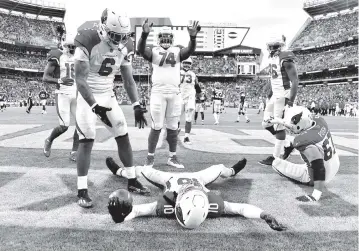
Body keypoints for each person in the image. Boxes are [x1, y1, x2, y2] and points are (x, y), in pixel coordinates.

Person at [73, 9, 150, 208]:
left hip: (108, 95)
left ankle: (132, 180)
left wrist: (136, 105)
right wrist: (94, 106)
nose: (118, 41)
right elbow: (80, 80)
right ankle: (82, 189)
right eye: (115, 36)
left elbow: (128, 79)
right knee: (87, 139)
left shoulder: (126, 44)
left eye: (122, 37)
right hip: (87, 96)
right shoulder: (88, 39)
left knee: (123, 134)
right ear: (104, 28)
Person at [106, 157, 286, 231]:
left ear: (177, 206)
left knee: (141, 170)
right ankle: (232, 171)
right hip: (198, 178)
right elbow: (240, 208)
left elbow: (136, 210)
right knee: (219, 169)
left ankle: (119, 172)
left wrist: (120, 217)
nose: (187, 191)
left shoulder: (166, 206)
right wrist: (263, 214)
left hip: (168, 179)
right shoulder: (213, 204)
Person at [137, 19, 201, 168]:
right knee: (156, 126)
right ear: (159, 38)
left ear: (172, 39)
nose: (165, 40)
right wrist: (145, 35)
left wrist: (192, 37)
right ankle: (150, 157)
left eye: (168, 37)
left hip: (174, 92)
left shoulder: (177, 51)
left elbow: (190, 51)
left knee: (173, 127)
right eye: (163, 37)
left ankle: (172, 157)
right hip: (158, 92)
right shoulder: (153, 51)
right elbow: (141, 50)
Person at [267, 106, 340, 202]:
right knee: (306, 157)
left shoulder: (304, 140)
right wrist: (278, 120)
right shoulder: (319, 121)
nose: (290, 129)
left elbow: (319, 167)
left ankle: (314, 186)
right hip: (334, 163)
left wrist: (315, 195)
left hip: (319, 174)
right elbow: (298, 122)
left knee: (276, 164)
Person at [259, 34, 299, 166]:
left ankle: (275, 157)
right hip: (275, 95)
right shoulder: (273, 58)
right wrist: (269, 93)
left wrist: (290, 101)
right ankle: (287, 144)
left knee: (279, 125)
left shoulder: (285, 58)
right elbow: (275, 78)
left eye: (274, 46)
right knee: (266, 123)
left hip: (284, 95)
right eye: (270, 46)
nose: (271, 49)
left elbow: (295, 81)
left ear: (280, 46)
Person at [42, 32, 79, 161]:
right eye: (70, 46)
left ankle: (74, 151)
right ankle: (49, 139)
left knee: (80, 124)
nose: (73, 49)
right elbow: (45, 77)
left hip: (76, 93)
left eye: (74, 47)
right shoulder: (57, 55)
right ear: (64, 45)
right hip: (63, 93)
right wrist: (59, 81)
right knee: (64, 126)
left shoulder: (79, 55)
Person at [179, 57, 201, 144]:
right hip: (179, 96)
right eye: (185, 63)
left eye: (188, 63)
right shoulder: (177, 72)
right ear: (182, 63)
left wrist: (199, 96)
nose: (186, 65)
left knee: (188, 118)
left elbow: (197, 86)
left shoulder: (193, 74)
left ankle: (186, 137)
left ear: (191, 65)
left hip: (190, 97)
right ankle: (176, 130)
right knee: (176, 117)